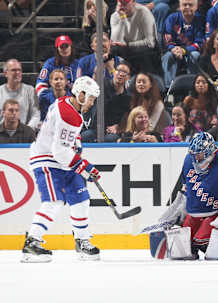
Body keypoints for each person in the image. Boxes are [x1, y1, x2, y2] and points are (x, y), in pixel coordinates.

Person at [22, 76, 101, 263]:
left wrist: (77, 143)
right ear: (81, 94)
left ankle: (82, 241)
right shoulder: (70, 115)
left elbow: (65, 137)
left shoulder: (66, 102)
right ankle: (31, 243)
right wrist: (84, 167)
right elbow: (59, 151)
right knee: (54, 201)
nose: (91, 103)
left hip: (61, 160)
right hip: (47, 159)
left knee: (81, 198)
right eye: (90, 98)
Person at [153, 131, 218, 260]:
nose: (196, 159)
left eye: (200, 155)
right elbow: (187, 190)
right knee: (183, 250)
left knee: (205, 243)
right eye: (194, 155)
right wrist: (178, 208)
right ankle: (212, 241)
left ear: (211, 152)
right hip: (195, 215)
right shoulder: (188, 161)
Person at [162, 0, 205, 89]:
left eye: (190, 5)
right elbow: (168, 38)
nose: (187, 7)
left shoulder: (200, 19)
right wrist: (174, 49)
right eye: (184, 5)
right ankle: (169, 89)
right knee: (167, 56)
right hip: (174, 50)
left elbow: (200, 43)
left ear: (196, 7)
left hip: (190, 51)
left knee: (195, 55)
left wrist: (184, 50)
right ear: (180, 6)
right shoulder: (172, 18)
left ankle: (193, 86)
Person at [110, 0, 158, 74]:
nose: (122, 6)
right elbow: (115, 41)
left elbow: (150, 43)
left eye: (125, 3)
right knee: (114, 49)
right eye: (121, 3)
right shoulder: (115, 16)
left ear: (133, 2)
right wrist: (122, 18)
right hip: (126, 50)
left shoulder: (144, 12)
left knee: (144, 53)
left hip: (144, 50)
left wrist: (128, 45)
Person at [0, 59, 40, 130]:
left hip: (24, 135)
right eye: (13, 70)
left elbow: (36, 115)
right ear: (5, 73)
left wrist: (27, 131)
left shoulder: (30, 90)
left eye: (19, 70)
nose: (17, 72)